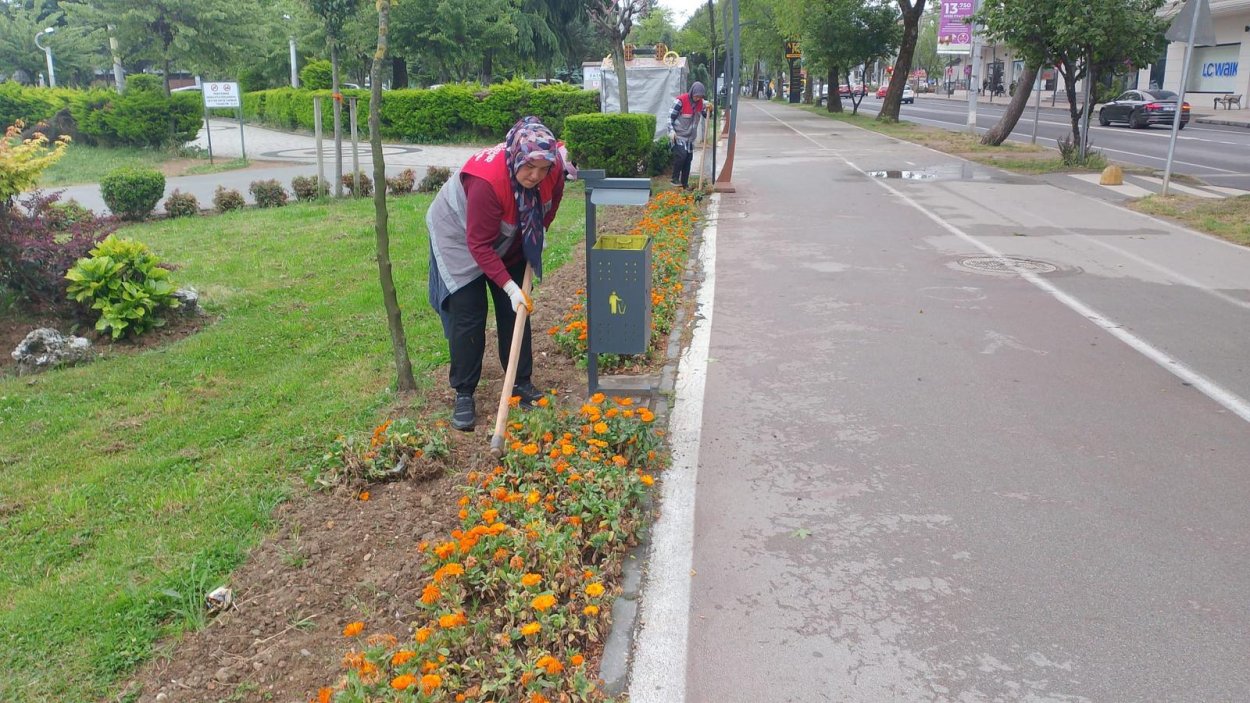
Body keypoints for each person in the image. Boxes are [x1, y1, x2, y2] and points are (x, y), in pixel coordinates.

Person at [426, 116, 568, 431]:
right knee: (469, 311)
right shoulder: (487, 182)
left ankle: (520, 381)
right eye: (529, 167)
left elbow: (552, 200)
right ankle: (464, 393)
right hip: (459, 235)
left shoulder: (553, 169)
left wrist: (539, 232)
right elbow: (478, 244)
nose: (536, 175)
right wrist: (509, 286)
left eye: (543, 168)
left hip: (510, 231)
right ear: (516, 157)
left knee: (516, 310)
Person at [668, 81, 707, 189]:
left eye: (700, 97)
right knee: (682, 156)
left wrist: (709, 109)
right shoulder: (680, 101)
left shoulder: (701, 103)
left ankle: (684, 184)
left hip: (690, 138)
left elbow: (706, 113)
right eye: (696, 96)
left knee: (688, 160)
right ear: (692, 93)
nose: (697, 98)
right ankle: (674, 178)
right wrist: (671, 131)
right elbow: (670, 117)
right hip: (678, 135)